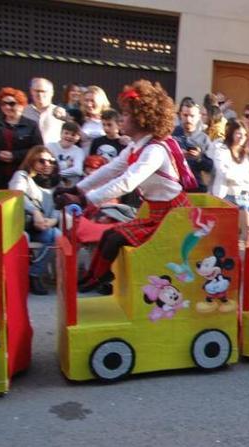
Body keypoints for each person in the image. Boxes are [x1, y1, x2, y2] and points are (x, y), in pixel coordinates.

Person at [55, 80, 192, 295]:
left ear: (142, 118)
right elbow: (110, 170)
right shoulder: (136, 147)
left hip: (173, 216)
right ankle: (96, 276)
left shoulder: (154, 150)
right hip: (159, 212)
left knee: (116, 237)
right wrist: (78, 190)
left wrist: (85, 200)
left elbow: (127, 182)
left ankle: (98, 277)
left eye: (126, 114)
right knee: (110, 235)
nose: (121, 118)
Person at [9, 146, 60, 295]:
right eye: (42, 161)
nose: (47, 165)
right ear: (31, 161)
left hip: (41, 225)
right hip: (21, 224)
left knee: (56, 234)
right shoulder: (22, 176)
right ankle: (22, 277)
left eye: (51, 161)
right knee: (24, 238)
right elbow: (18, 195)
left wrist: (52, 220)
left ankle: (34, 274)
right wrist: (35, 211)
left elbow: (58, 206)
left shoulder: (54, 182)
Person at [212, 119, 249, 245]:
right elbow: (224, 173)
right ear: (231, 134)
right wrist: (242, 177)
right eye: (238, 133)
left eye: (244, 134)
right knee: (225, 234)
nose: (241, 137)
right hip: (225, 195)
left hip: (242, 195)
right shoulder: (221, 150)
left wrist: (238, 177)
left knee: (247, 231)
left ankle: (245, 261)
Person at [0, 87, 43, 189]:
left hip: (21, 175)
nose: (7, 107)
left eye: (11, 104)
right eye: (3, 104)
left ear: (21, 105)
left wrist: (14, 155)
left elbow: (38, 150)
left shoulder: (31, 125)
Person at [172, 101, 213, 192]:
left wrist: (199, 158)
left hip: (196, 188)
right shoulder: (171, 135)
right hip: (174, 187)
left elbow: (210, 167)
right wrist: (176, 155)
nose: (188, 119)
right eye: (185, 115)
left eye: (192, 116)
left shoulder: (204, 139)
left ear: (199, 117)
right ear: (180, 115)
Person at [23, 77, 66, 144]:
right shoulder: (24, 112)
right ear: (31, 91)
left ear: (52, 92)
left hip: (52, 153)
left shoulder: (61, 112)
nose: (40, 94)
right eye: (37, 91)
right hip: (30, 152)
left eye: (43, 91)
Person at [46, 121, 85, 186]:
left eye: (73, 135)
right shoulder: (50, 147)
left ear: (78, 138)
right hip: (51, 184)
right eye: (66, 133)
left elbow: (77, 170)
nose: (69, 136)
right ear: (61, 133)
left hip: (69, 186)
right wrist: (65, 164)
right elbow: (47, 168)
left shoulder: (79, 151)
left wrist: (55, 173)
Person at [79, 86, 110, 154]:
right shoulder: (79, 118)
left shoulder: (111, 119)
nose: (89, 104)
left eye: (92, 101)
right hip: (82, 160)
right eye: (86, 100)